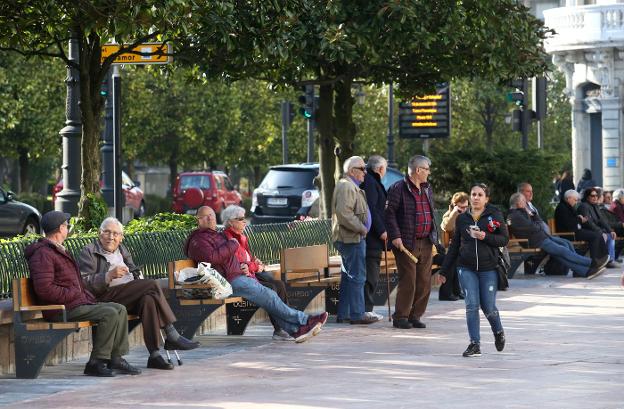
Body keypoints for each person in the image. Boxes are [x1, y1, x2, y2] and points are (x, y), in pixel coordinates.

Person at [185, 206, 327, 343]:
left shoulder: (216, 236)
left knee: (270, 296)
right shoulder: (198, 240)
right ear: (199, 220)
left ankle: (297, 330)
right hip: (228, 281)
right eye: (206, 217)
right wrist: (232, 245)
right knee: (270, 295)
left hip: (236, 277)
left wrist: (248, 263)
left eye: (212, 216)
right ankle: (305, 320)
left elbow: (236, 258)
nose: (211, 219)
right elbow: (212, 257)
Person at [24, 211, 141, 377]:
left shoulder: (58, 250)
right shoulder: (43, 254)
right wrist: (74, 293)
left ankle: (116, 357)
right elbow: (45, 289)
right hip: (61, 309)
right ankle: (97, 362)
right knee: (109, 313)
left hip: (74, 303)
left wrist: (81, 294)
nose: (68, 228)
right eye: (66, 225)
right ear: (60, 228)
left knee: (119, 309)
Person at [78, 217, 200, 371]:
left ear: (121, 237)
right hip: (105, 296)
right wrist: (108, 276)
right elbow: (84, 283)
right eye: (107, 232)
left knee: (148, 299)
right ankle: (171, 334)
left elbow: (134, 270)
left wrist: (136, 275)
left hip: (128, 294)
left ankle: (154, 355)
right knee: (152, 285)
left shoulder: (122, 250)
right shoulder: (89, 251)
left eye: (116, 234)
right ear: (99, 234)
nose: (111, 237)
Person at [437, 184, 508, 357]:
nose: (476, 197)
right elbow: (454, 246)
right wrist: (444, 271)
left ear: (486, 198)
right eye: (473, 194)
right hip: (466, 267)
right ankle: (474, 344)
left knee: (488, 307)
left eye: (480, 195)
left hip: (488, 268)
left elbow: (504, 239)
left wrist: (485, 236)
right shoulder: (463, 218)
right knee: (471, 305)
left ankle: (498, 331)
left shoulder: (494, 215)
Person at [221, 205, 292, 340]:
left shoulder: (241, 237)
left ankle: (284, 326)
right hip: (240, 279)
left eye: (244, 218)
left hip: (251, 274)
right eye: (240, 219)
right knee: (271, 288)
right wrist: (255, 266)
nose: (244, 221)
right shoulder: (229, 239)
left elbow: (247, 259)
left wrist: (255, 262)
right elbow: (240, 265)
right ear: (230, 222)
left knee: (279, 285)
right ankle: (281, 328)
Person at [385, 155, 439, 329]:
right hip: (406, 242)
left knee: (424, 281)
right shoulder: (398, 188)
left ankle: (415, 315)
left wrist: (434, 235)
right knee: (409, 280)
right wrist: (395, 236)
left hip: (426, 241)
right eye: (427, 169)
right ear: (418, 170)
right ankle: (401, 316)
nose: (429, 173)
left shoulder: (427, 188)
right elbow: (389, 213)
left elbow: (430, 212)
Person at [508, 193, 606, 279]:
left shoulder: (520, 213)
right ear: (518, 203)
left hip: (541, 237)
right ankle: (591, 263)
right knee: (562, 251)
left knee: (563, 248)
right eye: (524, 201)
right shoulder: (515, 216)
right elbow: (535, 227)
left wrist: (533, 216)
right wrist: (535, 220)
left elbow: (537, 224)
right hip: (536, 241)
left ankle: (584, 271)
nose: (526, 204)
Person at [332, 156, 378, 325]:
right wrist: (362, 228)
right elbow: (344, 214)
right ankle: (357, 314)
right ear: (352, 171)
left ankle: (344, 314)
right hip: (351, 238)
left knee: (349, 277)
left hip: (351, 238)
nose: (365, 172)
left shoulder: (350, 186)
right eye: (362, 168)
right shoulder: (346, 187)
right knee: (358, 276)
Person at [360, 154, 388, 320]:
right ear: (380, 169)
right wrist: (381, 229)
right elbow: (372, 209)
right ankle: (366, 308)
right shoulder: (371, 182)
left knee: (371, 272)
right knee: (371, 273)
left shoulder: (371, 180)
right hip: (372, 237)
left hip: (371, 236)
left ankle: (366, 307)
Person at [554, 190, 609, 266]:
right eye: (575, 200)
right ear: (569, 198)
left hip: (574, 231)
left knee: (598, 234)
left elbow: (573, 220)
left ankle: (603, 257)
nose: (576, 202)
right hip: (569, 234)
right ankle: (595, 261)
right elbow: (569, 224)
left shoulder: (568, 206)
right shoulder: (562, 208)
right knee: (595, 236)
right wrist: (579, 219)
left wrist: (579, 218)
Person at [578, 187, 619, 268]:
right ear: (587, 197)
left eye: (596, 195)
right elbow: (588, 223)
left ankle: (610, 260)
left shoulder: (595, 206)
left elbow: (602, 220)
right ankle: (602, 260)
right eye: (593, 196)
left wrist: (610, 230)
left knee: (611, 236)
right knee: (603, 236)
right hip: (587, 231)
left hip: (596, 231)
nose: (595, 197)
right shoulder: (584, 206)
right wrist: (600, 231)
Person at [439, 191, 469, 301]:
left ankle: (457, 290)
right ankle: (446, 293)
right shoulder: (448, 215)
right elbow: (447, 227)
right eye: (461, 207)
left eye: (466, 207)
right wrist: (455, 213)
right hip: (451, 248)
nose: (464, 210)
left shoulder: (467, 215)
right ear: (455, 205)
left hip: (463, 246)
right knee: (452, 259)